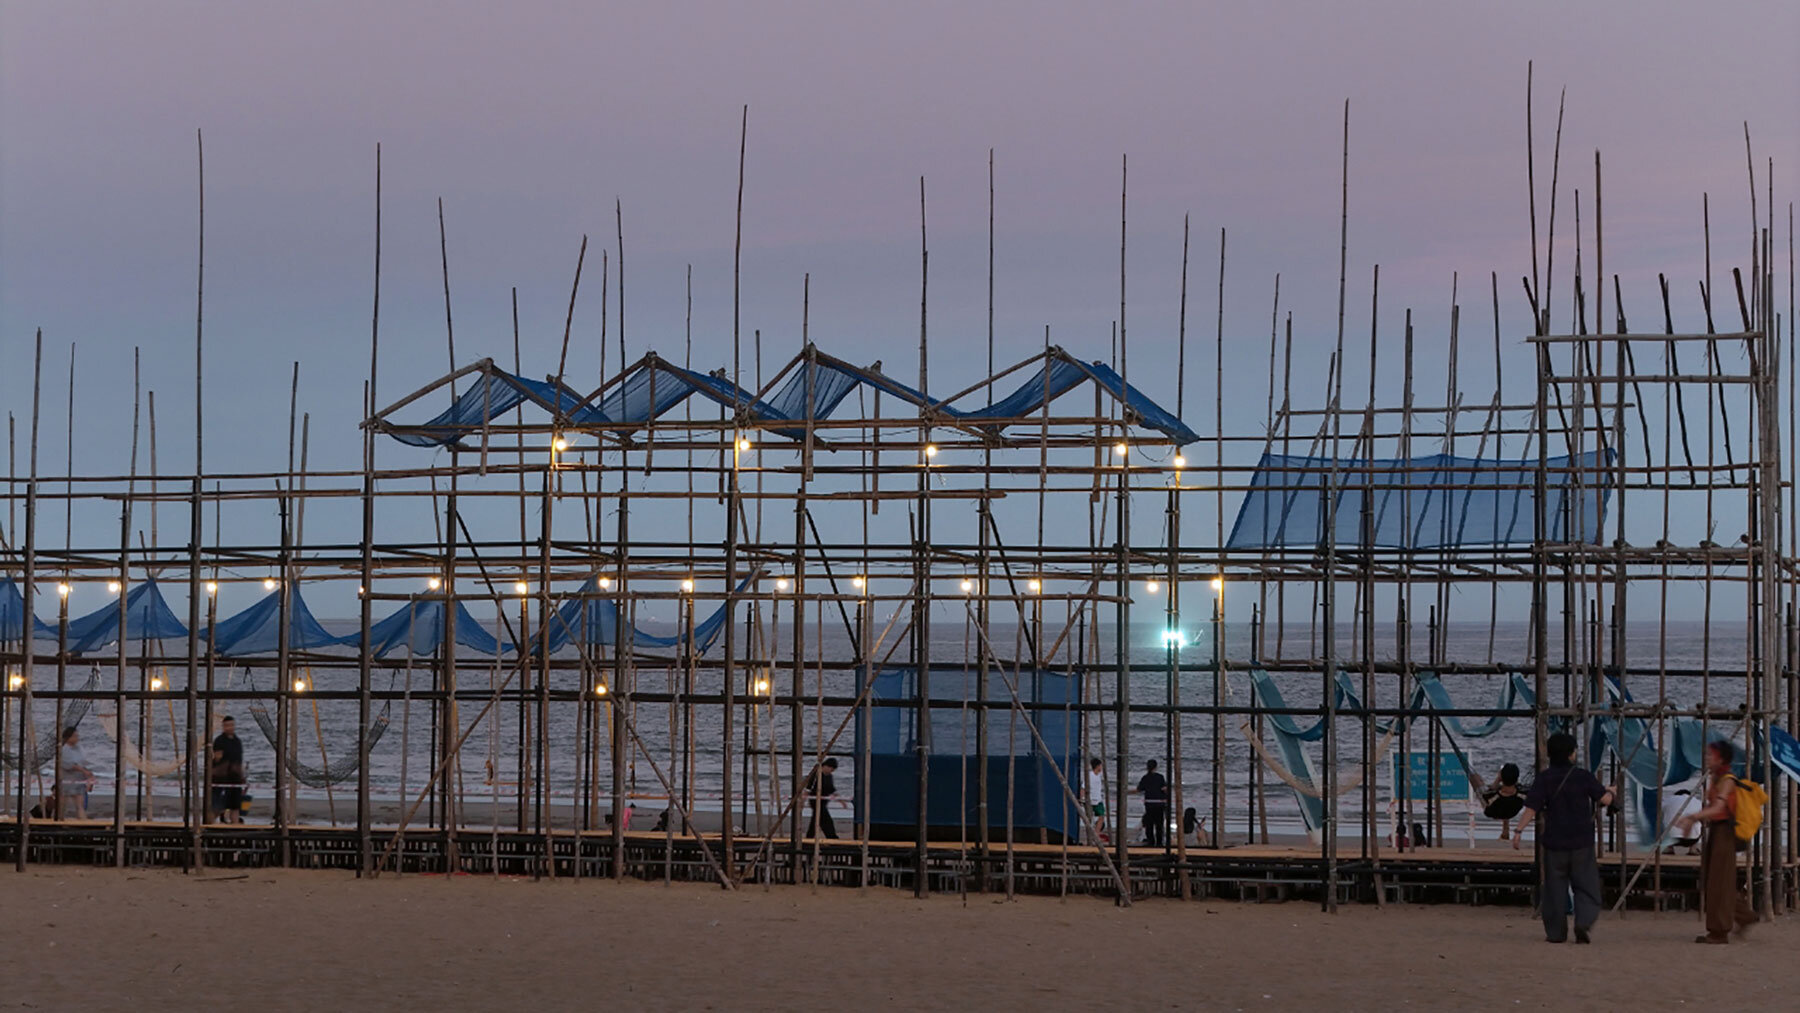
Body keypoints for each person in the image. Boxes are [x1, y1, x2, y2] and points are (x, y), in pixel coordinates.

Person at [1512, 732, 1615, 944]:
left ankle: (1556, 933)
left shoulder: (1544, 778)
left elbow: (1531, 808)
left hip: (1554, 842)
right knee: (1586, 886)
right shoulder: (1583, 776)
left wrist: (1518, 831)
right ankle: (1583, 923)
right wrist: (1612, 792)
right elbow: (1605, 799)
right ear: (1570, 754)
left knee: (1554, 890)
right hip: (1581, 842)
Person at [1675, 740, 1756, 944]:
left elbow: (1719, 808)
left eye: (1710, 755)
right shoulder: (1717, 777)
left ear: (1720, 758)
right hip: (1717, 831)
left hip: (1725, 833)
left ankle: (1719, 931)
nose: (1707, 758)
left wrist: (1692, 818)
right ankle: (1745, 915)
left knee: (1719, 881)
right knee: (1717, 879)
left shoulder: (1727, 780)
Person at [211, 716, 245, 823]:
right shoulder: (219, 741)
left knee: (235, 808)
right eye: (227, 725)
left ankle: (235, 829)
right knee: (218, 808)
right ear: (223, 727)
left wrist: (241, 775)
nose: (229, 728)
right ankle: (209, 826)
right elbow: (217, 759)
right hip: (221, 779)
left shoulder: (237, 741)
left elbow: (239, 760)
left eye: (231, 725)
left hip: (235, 779)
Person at [1480, 763, 1526, 840]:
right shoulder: (1523, 794)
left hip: (1493, 812)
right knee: (1506, 801)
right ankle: (1505, 831)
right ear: (1517, 778)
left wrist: (1498, 779)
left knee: (1478, 780)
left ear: (1501, 777)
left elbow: (1486, 794)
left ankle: (1505, 832)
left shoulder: (1492, 796)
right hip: (1512, 811)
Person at [56, 726, 95, 819]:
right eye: (74, 736)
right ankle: (59, 821)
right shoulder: (64, 749)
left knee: (79, 805)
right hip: (66, 780)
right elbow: (69, 764)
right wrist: (84, 771)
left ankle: (82, 822)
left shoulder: (78, 748)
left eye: (77, 736)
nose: (76, 738)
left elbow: (83, 762)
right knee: (62, 805)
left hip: (78, 780)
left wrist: (89, 774)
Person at [1132, 759, 1169, 848]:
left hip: (1149, 803)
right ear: (1156, 767)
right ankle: (1159, 842)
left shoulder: (1145, 778)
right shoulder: (1160, 777)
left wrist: (1128, 791)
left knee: (1150, 823)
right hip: (1159, 803)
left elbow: (1139, 789)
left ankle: (1151, 841)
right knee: (1159, 824)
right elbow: (1164, 789)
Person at [806, 758, 839, 839]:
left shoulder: (829, 776)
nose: (831, 771)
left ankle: (809, 837)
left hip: (824, 801)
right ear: (826, 766)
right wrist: (803, 801)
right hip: (815, 801)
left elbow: (831, 789)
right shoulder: (816, 774)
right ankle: (832, 837)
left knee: (816, 820)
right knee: (826, 820)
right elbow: (808, 788)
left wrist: (840, 800)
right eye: (831, 769)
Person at [1084, 758, 1109, 844]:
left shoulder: (1098, 775)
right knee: (1093, 818)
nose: (1101, 767)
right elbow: (1083, 787)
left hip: (1098, 799)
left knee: (1101, 817)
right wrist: (1082, 797)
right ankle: (1094, 836)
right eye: (1101, 766)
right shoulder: (1090, 775)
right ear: (1098, 766)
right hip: (1092, 800)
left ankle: (1096, 834)